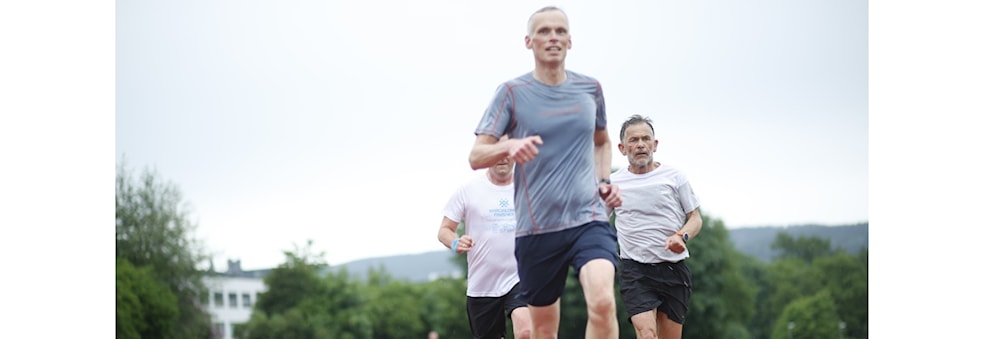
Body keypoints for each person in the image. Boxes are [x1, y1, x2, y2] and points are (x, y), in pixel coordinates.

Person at [469, 6, 622, 339]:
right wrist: (507, 147)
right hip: (537, 229)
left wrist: (605, 180)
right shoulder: (511, 92)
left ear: (570, 40)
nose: (553, 37)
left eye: (560, 31)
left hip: (588, 218)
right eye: (544, 31)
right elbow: (477, 155)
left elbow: (602, 142)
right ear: (529, 41)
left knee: (603, 302)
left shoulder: (590, 89)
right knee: (541, 330)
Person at [609, 114, 703, 339]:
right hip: (635, 270)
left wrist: (682, 236)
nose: (640, 144)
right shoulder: (614, 183)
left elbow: (695, 218)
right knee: (648, 334)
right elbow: (597, 222)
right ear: (622, 148)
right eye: (633, 140)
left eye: (645, 138)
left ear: (655, 144)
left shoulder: (674, 177)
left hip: (672, 268)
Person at [438, 149, 532, 339]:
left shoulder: (529, 187)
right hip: (483, 285)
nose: (503, 157)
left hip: (520, 276)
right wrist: (456, 242)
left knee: (526, 332)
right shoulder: (468, 190)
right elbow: (444, 230)